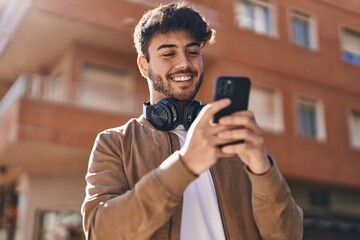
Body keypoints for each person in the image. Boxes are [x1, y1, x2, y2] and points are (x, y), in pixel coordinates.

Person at [81, 1, 303, 239]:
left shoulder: (232, 139)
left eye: (193, 52)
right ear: (144, 66)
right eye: (168, 53)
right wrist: (185, 164)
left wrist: (262, 169)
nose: (184, 63)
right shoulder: (115, 143)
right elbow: (100, 232)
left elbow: (288, 235)